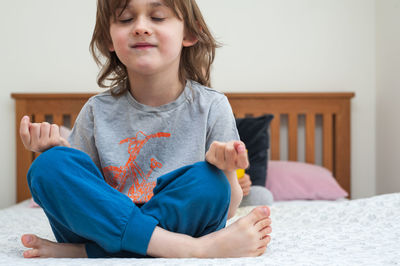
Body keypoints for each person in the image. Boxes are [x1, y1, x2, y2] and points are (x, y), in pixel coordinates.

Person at [19, 0, 271, 258]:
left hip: (168, 225)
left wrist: (226, 169)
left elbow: (227, 207)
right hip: (106, 226)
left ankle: (83, 252)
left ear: (190, 34)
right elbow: (81, 191)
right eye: (126, 19)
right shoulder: (96, 110)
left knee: (211, 180)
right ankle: (194, 249)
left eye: (158, 17)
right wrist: (60, 153)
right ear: (108, 38)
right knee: (48, 165)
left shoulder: (212, 106)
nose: (140, 27)